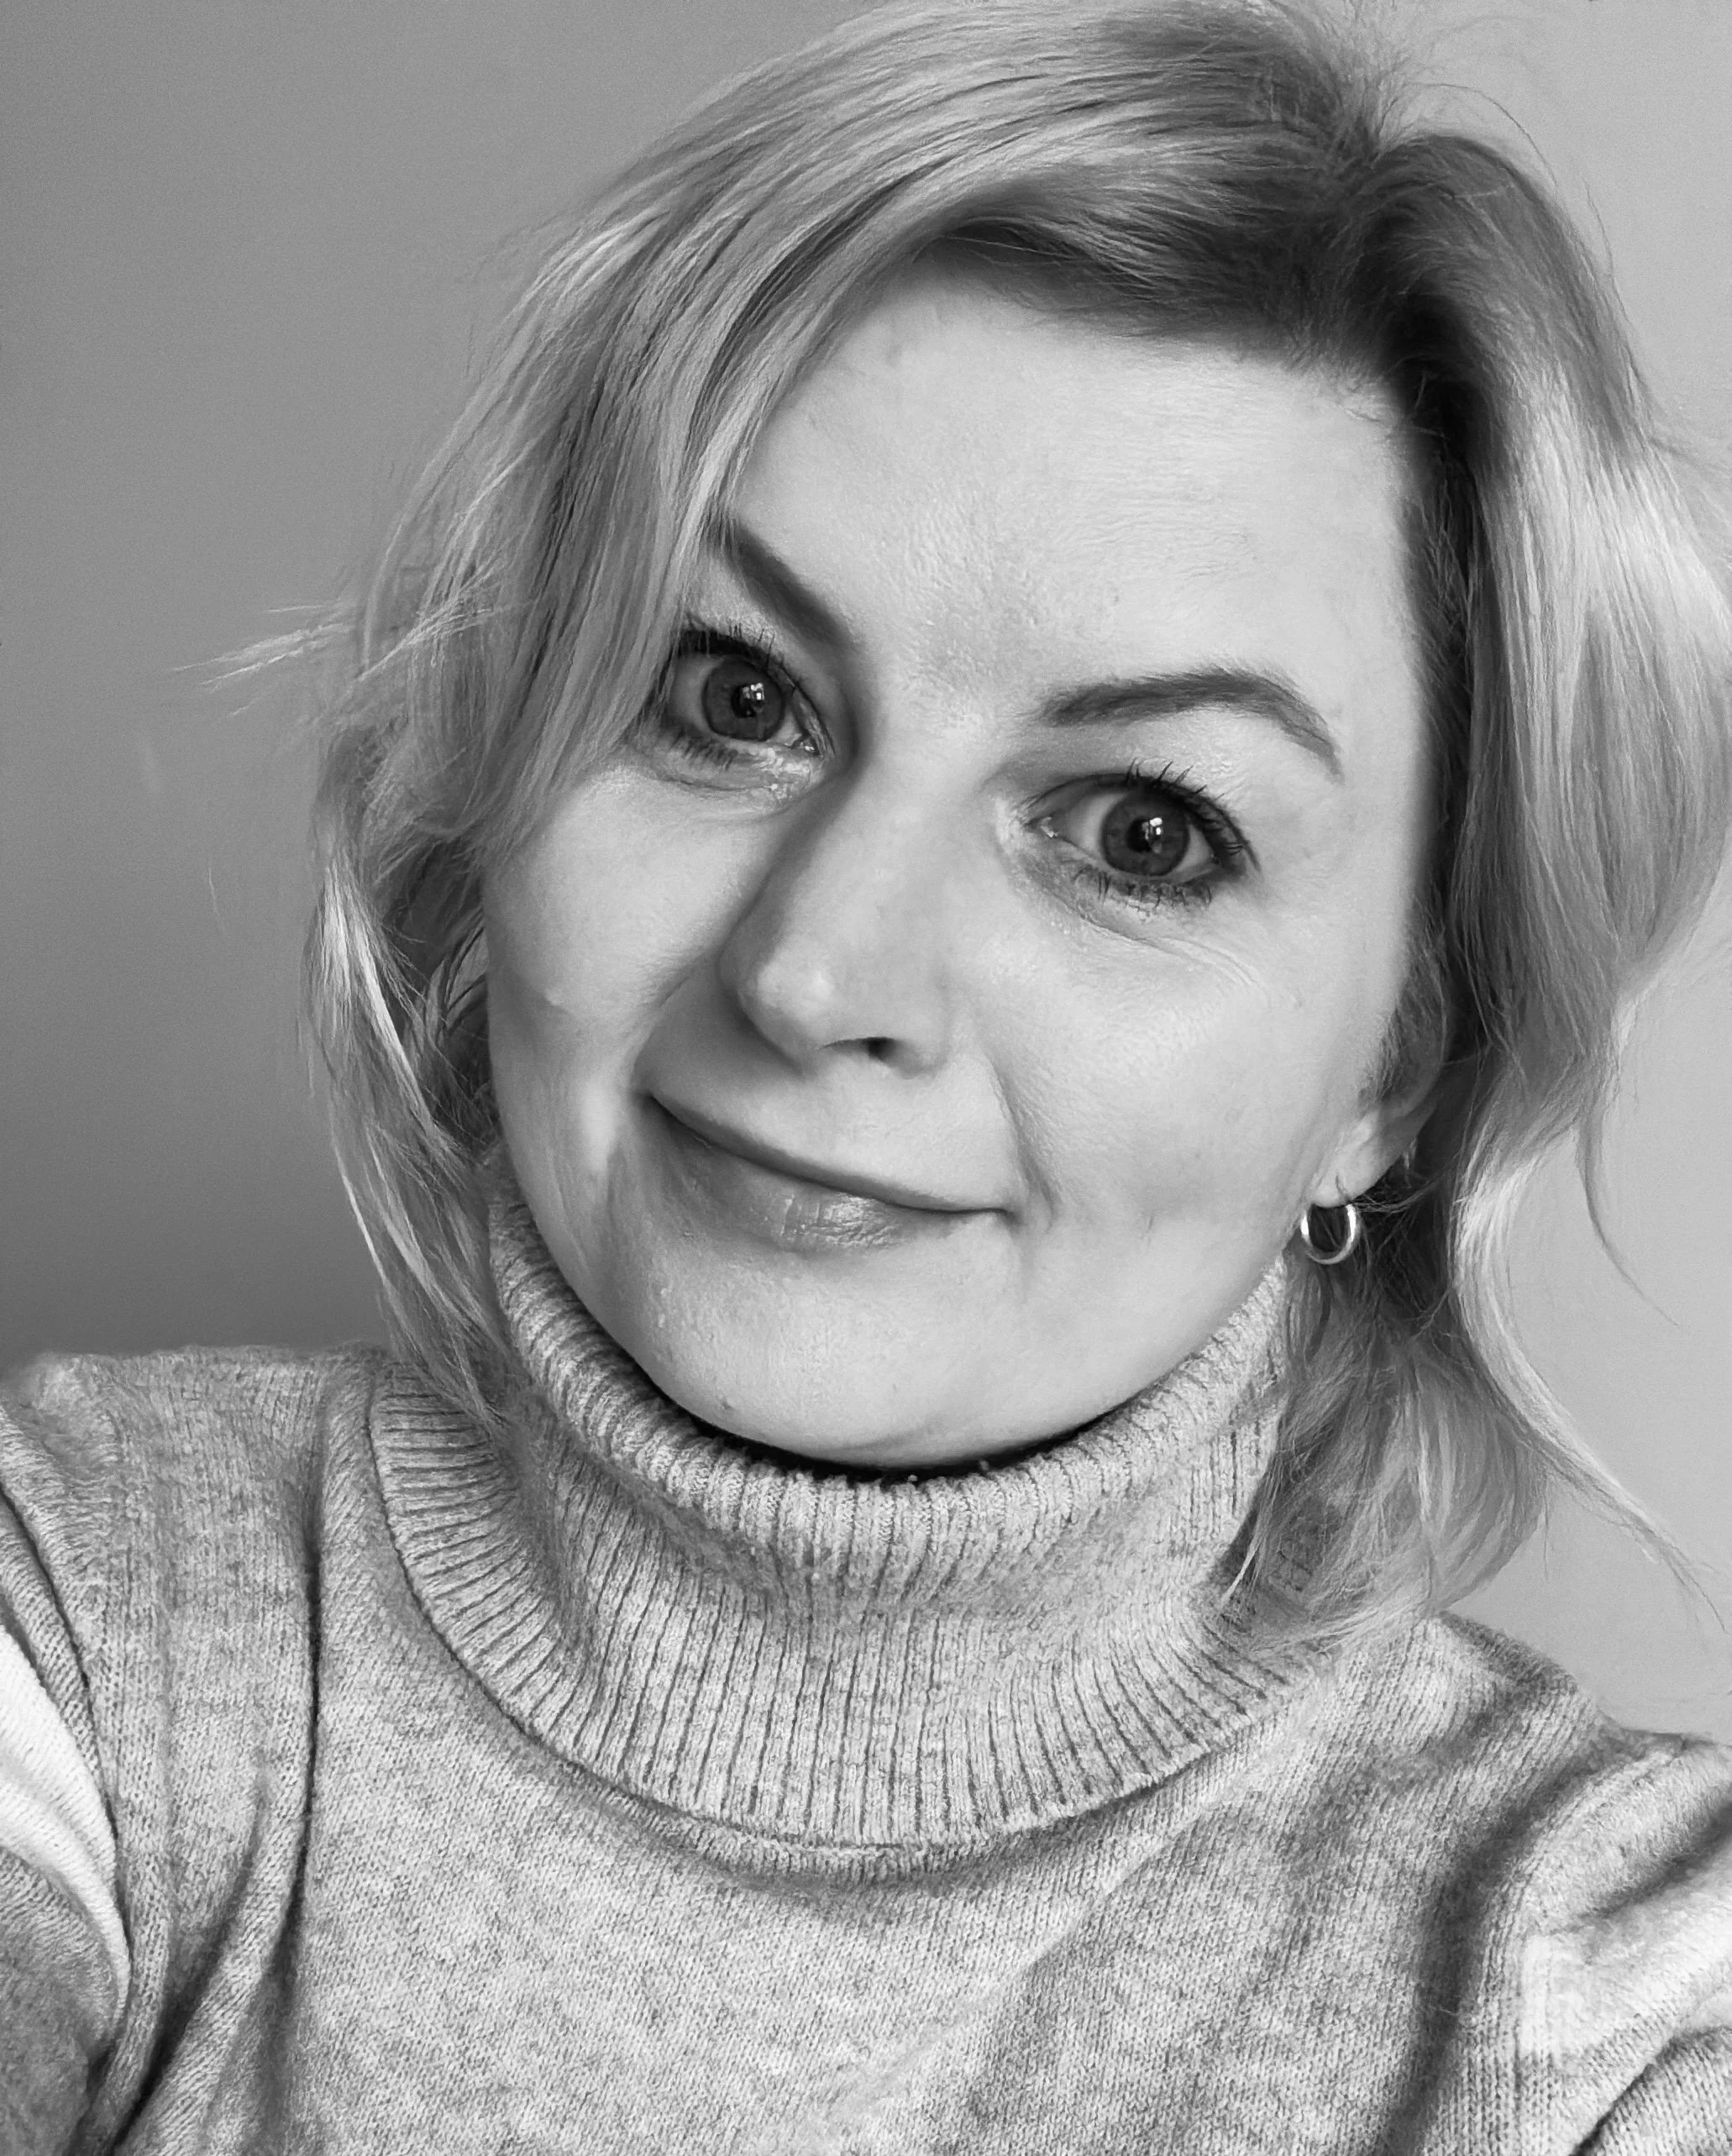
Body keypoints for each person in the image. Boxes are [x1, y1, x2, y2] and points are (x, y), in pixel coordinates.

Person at [4, 0, 1730, 2146]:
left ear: (1399, 1067)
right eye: (731, 696)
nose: (816, 974)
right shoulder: (81, 1610)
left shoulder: (1614, 1999)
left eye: (1139, 832)